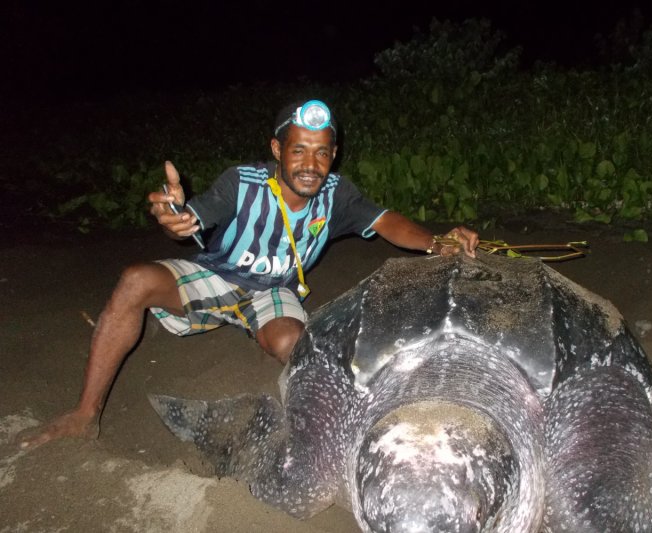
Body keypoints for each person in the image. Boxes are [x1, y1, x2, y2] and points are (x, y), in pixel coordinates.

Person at [19, 99, 479, 449]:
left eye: (321, 153)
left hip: (273, 294)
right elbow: (195, 218)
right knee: (135, 280)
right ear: (277, 149)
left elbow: (387, 222)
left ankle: (346, 429)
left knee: (292, 345)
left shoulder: (337, 194)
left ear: (333, 155)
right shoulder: (242, 181)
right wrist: (179, 217)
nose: (310, 164)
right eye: (299, 150)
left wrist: (436, 244)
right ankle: (84, 413)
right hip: (216, 278)